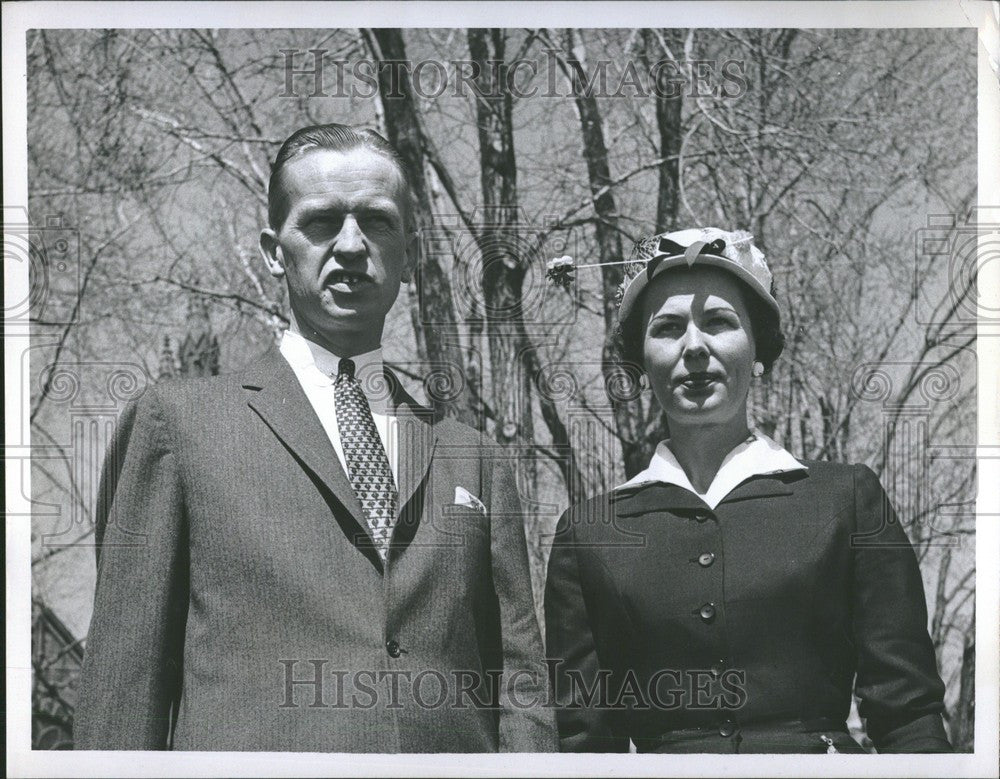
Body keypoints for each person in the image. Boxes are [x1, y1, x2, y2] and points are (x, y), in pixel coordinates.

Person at [75, 124, 557, 752]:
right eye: (323, 222)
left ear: (407, 252)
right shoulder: (179, 425)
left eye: (378, 222)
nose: (352, 245)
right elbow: (123, 685)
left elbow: (520, 690)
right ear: (275, 251)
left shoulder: (473, 457)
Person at [544, 227, 953, 754]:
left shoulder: (847, 501)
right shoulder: (588, 536)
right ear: (641, 361)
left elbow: (909, 719)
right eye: (667, 329)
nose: (695, 347)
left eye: (718, 322)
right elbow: (582, 744)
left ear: (758, 346)